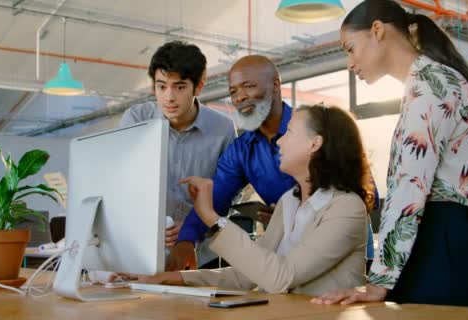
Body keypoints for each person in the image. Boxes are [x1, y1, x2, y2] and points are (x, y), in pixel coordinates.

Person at [312, 0, 468, 308]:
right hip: (442, 246)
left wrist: (378, 281)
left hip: (446, 251)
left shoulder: (432, 84)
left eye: (350, 48)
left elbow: (409, 187)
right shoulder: (424, 83)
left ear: (377, 31)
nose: (349, 63)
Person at [166, 55, 378, 271]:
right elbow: (216, 197)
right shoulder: (242, 149)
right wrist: (186, 240)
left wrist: (298, 210)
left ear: (275, 85)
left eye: (248, 86)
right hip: (290, 253)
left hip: (342, 250)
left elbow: (365, 193)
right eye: (233, 92)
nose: (239, 97)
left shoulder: (316, 126)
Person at [136, 104, 373, 296]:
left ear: (315, 144)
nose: (279, 141)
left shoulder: (346, 206)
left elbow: (281, 277)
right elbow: (248, 275)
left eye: (289, 132)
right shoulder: (289, 200)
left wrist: (212, 217)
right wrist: (177, 278)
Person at [120, 41, 236, 265]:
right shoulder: (136, 120)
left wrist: (194, 227)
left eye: (180, 87)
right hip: (144, 249)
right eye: (162, 86)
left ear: (198, 87)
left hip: (202, 255)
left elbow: (228, 192)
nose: (169, 97)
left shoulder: (223, 130)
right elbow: (121, 183)